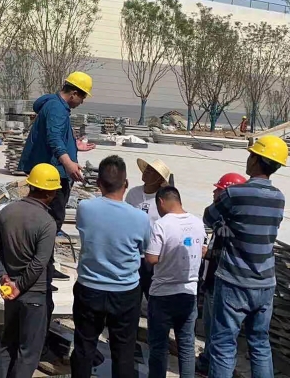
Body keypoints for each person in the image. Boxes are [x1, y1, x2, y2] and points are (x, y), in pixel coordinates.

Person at [203, 136, 288, 378]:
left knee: (223, 343)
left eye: (251, 155)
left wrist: (225, 222)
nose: (248, 159)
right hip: (265, 282)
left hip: (235, 280)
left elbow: (209, 217)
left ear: (257, 160)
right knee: (260, 344)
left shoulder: (234, 193)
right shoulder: (279, 197)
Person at [71, 156, 151, 378]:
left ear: (99, 183)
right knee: (123, 351)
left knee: (84, 347)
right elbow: (145, 250)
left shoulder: (85, 208)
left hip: (89, 288)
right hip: (125, 291)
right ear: (126, 184)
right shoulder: (140, 218)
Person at [18, 71, 93, 280]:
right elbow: (53, 138)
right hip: (53, 175)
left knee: (46, 219)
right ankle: (44, 270)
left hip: (47, 171)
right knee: (52, 221)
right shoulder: (58, 109)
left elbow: (56, 134)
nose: (82, 102)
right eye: (82, 97)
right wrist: (68, 163)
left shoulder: (52, 104)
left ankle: (44, 266)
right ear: (74, 93)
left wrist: (74, 145)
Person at [0, 163, 60, 378]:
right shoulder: (47, 222)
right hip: (33, 294)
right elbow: (39, 263)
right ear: (49, 193)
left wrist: (4, 277)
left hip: (10, 291)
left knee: (7, 344)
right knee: (28, 353)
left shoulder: (7, 211)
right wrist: (19, 286)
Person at [145, 186, 206, 378]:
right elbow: (202, 251)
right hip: (189, 292)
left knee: (158, 346)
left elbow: (152, 258)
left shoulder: (162, 224)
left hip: (162, 294)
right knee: (186, 345)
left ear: (161, 201)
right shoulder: (198, 222)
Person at [195, 173, 247, 376]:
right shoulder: (223, 218)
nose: (214, 192)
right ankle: (207, 360)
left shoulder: (233, 222)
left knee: (219, 333)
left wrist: (209, 254)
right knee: (210, 328)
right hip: (212, 281)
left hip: (222, 284)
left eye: (218, 190)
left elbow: (229, 252)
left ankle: (216, 367)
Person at [125, 158, 173, 299]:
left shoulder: (163, 200)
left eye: (151, 172)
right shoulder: (133, 193)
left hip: (152, 255)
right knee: (132, 295)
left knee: (152, 294)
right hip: (133, 252)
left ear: (159, 179)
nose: (146, 173)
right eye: (147, 169)